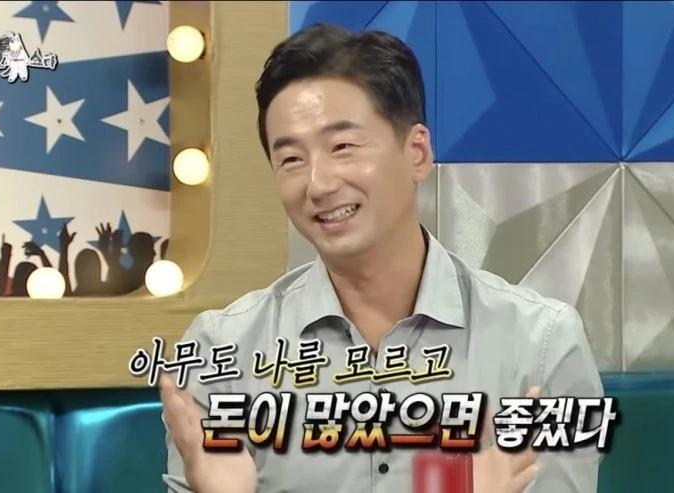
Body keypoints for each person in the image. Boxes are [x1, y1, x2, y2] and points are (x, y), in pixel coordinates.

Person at [161, 23, 604, 493]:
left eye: (342, 147)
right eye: (291, 159)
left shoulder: (541, 348)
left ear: (417, 152)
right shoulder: (222, 354)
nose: (318, 184)